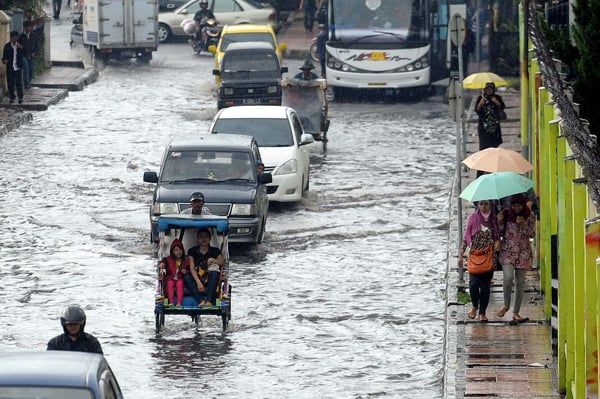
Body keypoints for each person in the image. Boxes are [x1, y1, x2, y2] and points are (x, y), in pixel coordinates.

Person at [458, 199, 501, 322]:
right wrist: (461, 255)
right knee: (473, 285)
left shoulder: (493, 220)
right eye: (481, 204)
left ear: (490, 205)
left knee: (485, 287)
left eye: (486, 204)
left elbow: (497, 236)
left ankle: (482, 312)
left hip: (488, 258)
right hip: (474, 257)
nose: (483, 206)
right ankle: (474, 306)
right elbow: (466, 238)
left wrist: (498, 243)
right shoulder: (473, 219)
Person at [496, 193, 536, 322]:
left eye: (519, 206)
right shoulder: (506, 214)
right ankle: (506, 305)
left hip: (523, 253)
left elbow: (532, 234)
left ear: (523, 205)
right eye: (514, 206)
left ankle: (516, 312)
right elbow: (500, 232)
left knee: (520, 283)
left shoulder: (530, 215)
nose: (516, 208)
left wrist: (524, 224)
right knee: (508, 277)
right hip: (507, 251)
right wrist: (500, 222)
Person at [187, 228, 225, 306]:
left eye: (206, 236)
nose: (204, 239)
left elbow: (222, 262)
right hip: (197, 278)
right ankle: (201, 300)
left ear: (210, 238)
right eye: (201, 237)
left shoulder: (215, 251)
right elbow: (192, 268)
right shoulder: (192, 251)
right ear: (198, 239)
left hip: (210, 279)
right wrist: (198, 282)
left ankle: (209, 301)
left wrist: (213, 260)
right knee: (186, 277)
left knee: (214, 273)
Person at [159, 239, 191, 307]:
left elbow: (189, 269)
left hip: (180, 278)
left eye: (180, 250)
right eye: (176, 250)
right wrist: (162, 264)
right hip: (171, 278)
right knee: (170, 284)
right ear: (172, 252)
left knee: (180, 284)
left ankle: (179, 303)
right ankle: (171, 302)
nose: (178, 252)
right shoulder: (168, 259)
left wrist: (186, 271)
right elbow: (163, 262)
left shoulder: (185, 260)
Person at [474, 82, 505, 151]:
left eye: (490, 89)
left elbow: (502, 107)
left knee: (494, 145)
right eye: (487, 89)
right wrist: (480, 104)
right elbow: (477, 110)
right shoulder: (481, 98)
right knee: (484, 145)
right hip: (484, 126)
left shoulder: (496, 97)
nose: (489, 91)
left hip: (494, 125)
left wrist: (496, 102)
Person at [2, 31, 24, 104]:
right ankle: (12, 97)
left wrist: (21, 48)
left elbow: (25, 53)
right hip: (10, 68)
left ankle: (20, 97)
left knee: (19, 83)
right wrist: (4, 60)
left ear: (17, 38)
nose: (14, 39)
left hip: (18, 67)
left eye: (16, 38)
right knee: (10, 83)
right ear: (11, 38)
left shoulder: (20, 46)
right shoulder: (7, 46)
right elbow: (4, 56)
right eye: (13, 38)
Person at [20, 21, 38, 90]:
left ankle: (28, 82)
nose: (27, 28)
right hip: (24, 56)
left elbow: (37, 46)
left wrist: (34, 53)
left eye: (28, 27)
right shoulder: (21, 36)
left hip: (31, 56)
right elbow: (19, 47)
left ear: (30, 27)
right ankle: (26, 84)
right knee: (26, 69)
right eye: (26, 27)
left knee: (31, 69)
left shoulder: (33, 36)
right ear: (24, 28)